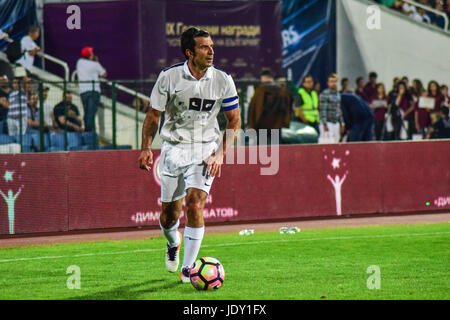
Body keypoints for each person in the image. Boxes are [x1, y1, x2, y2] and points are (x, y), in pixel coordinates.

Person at [137, 27, 241, 283]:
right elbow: (153, 116)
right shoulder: (169, 77)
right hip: (174, 148)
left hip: (205, 148)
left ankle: (188, 270)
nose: (211, 51)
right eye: (204, 47)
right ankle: (173, 242)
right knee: (169, 216)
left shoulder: (222, 79)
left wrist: (220, 154)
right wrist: (146, 148)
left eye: (211, 46)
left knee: (195, 203)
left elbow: (234, 120)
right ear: (189, 52)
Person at [247, 69, 292, 143]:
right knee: (277, 149)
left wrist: (252, 124)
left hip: (262, 125)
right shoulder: (282, 91)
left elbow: (253, 109)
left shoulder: (259, 91)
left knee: (261, 149)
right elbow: (286, 109)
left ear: (263, 78)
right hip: (276, 125)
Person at [76, 46, 107, 132]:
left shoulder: (79, 62)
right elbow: (104, 74)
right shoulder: (95, 64)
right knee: (91, 114)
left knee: (87, 113)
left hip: (83, 92)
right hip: (93, 91)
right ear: (90, 55)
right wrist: (97, 61)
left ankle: (89, 133)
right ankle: (89, 133)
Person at [319, 73, 345, 143]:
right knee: (327, 144)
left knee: (336, 143)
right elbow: (322, 109)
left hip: (336, 123)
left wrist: (342, 123)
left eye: (335, 81)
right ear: (328, 83)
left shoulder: (338, 94)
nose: (333, 83)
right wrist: (324, 124)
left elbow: (339, 110)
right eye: (331, 81)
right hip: (328, 123)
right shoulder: (324, 94)